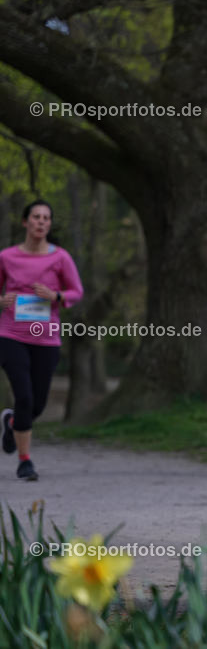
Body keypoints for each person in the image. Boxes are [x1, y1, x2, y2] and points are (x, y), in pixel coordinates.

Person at [0, 200, 83, 481]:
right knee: (24, 396)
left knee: (36, 405)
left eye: (46, 218)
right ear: (25, 222)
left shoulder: (60, 258)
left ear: (49, 224)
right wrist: (1, 300)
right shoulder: (7, 257)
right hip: (11, 334)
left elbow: (76, 292)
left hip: (46, 337)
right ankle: (25, 461)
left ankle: (11, 423)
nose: (41, 222)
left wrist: (56, 296)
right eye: (36, 217)